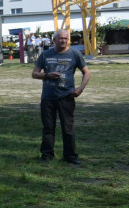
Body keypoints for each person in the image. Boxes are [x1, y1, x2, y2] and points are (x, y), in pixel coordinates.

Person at [32, 29, 89, 164]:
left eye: (65, 38)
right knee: (48, 128)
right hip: (48, 97)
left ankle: (70, 156)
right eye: (60, 38)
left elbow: (86, 73)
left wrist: (80, 89)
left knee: (68, 128)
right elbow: (34, 74)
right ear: (54, 40)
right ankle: (46, 156)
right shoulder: (45, 55)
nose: (63, 40)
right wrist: (47, 75)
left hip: (67, 97)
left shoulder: (74, 54)